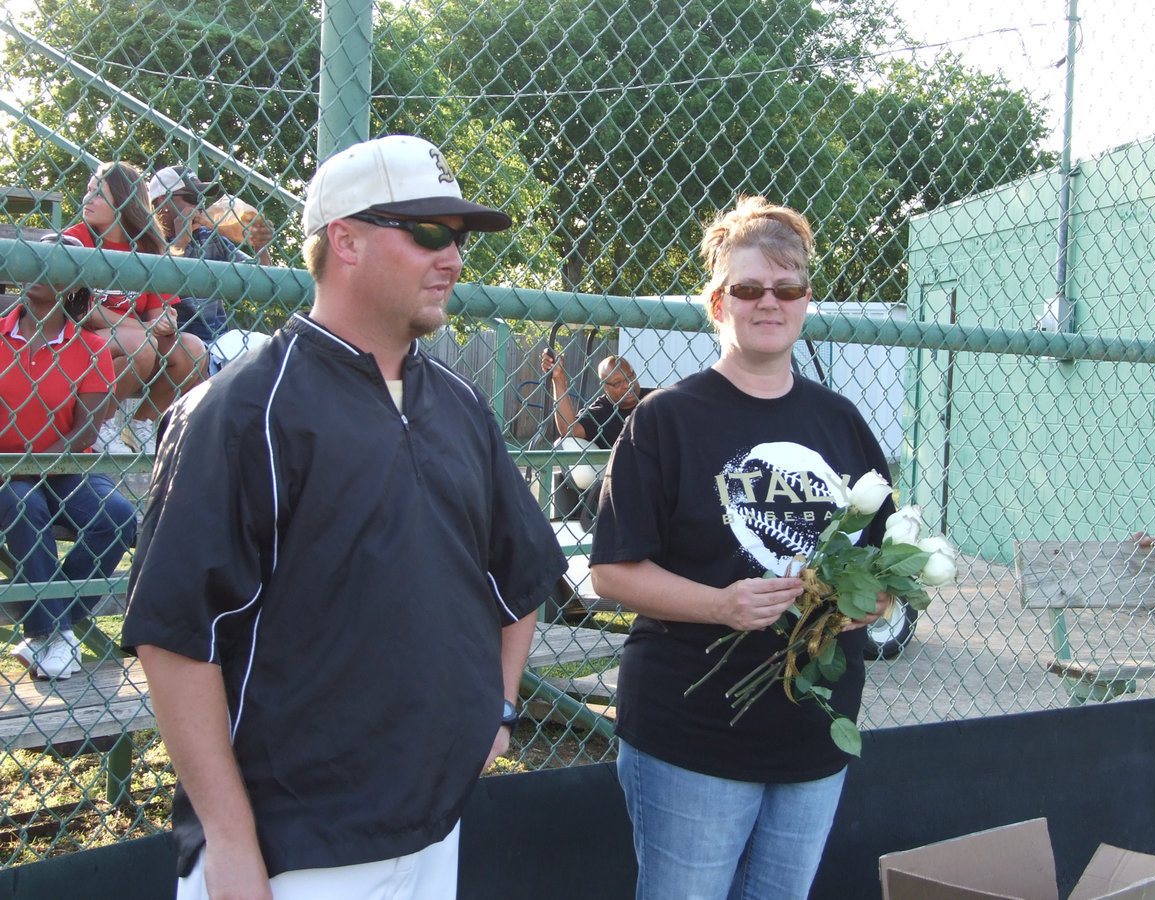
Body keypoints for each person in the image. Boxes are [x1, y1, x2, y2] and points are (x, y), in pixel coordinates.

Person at [121, 134, 568, 899]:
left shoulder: (459, 404)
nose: (454, 256)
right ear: (346, 239)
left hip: (432, 827)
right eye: (428, 231)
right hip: (290, 847)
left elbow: (520, 572)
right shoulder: (241, 411)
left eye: (459, 237)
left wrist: (497, 702)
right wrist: (229, 844)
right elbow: (175, 638)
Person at [589, 196, 895, 900]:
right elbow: (611, 572)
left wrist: (872, 601)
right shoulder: (664, 421)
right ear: (717, 303)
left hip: (812, 733)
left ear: (806, 300)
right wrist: (720, 604)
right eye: (748, 288)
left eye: (787, 288)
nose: (769, 302)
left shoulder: (839, 421)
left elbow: (881, 558)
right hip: (695, 729)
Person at [1, 233, 137, 680]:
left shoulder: (93, 348)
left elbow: (85, 428)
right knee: (23, 503)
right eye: (33, 259)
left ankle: (49, 630)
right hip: (3, 467)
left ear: (75, 282)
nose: (38, 269)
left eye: (53, 263)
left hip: (66, 464)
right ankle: (55, 632)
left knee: (117, 517)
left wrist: (38, 463)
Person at [64, 161, 209, 454]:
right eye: (88, 190)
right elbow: (80, 312)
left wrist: (165, 321)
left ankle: (140, 423)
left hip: (134, 341)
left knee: (193, 349)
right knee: (140, 344)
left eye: (98, 193)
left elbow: (161, 312)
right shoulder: (77, 237)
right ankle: (100, 424)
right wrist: (144, 328)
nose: (86, 199)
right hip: (81, 341)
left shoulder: (148, 246)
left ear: (123, 202)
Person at [147, 165, 275, 344]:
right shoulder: (147, 240)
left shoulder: (209, 237)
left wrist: (260, 246)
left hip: (218, 338)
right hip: (177, 339)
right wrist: (180, 243)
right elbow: (161, 285)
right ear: (163, 201)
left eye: (202, 197)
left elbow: (262, 278)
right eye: (192, 197)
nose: (200, 204)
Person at [539, 351, 653, 526]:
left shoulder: (656, 399)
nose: (627, 385)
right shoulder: (601, 411)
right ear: (605, 386)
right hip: (626, 485)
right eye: (617, 383)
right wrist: (559, 379)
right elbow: (569, 429)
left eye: (631, 377)